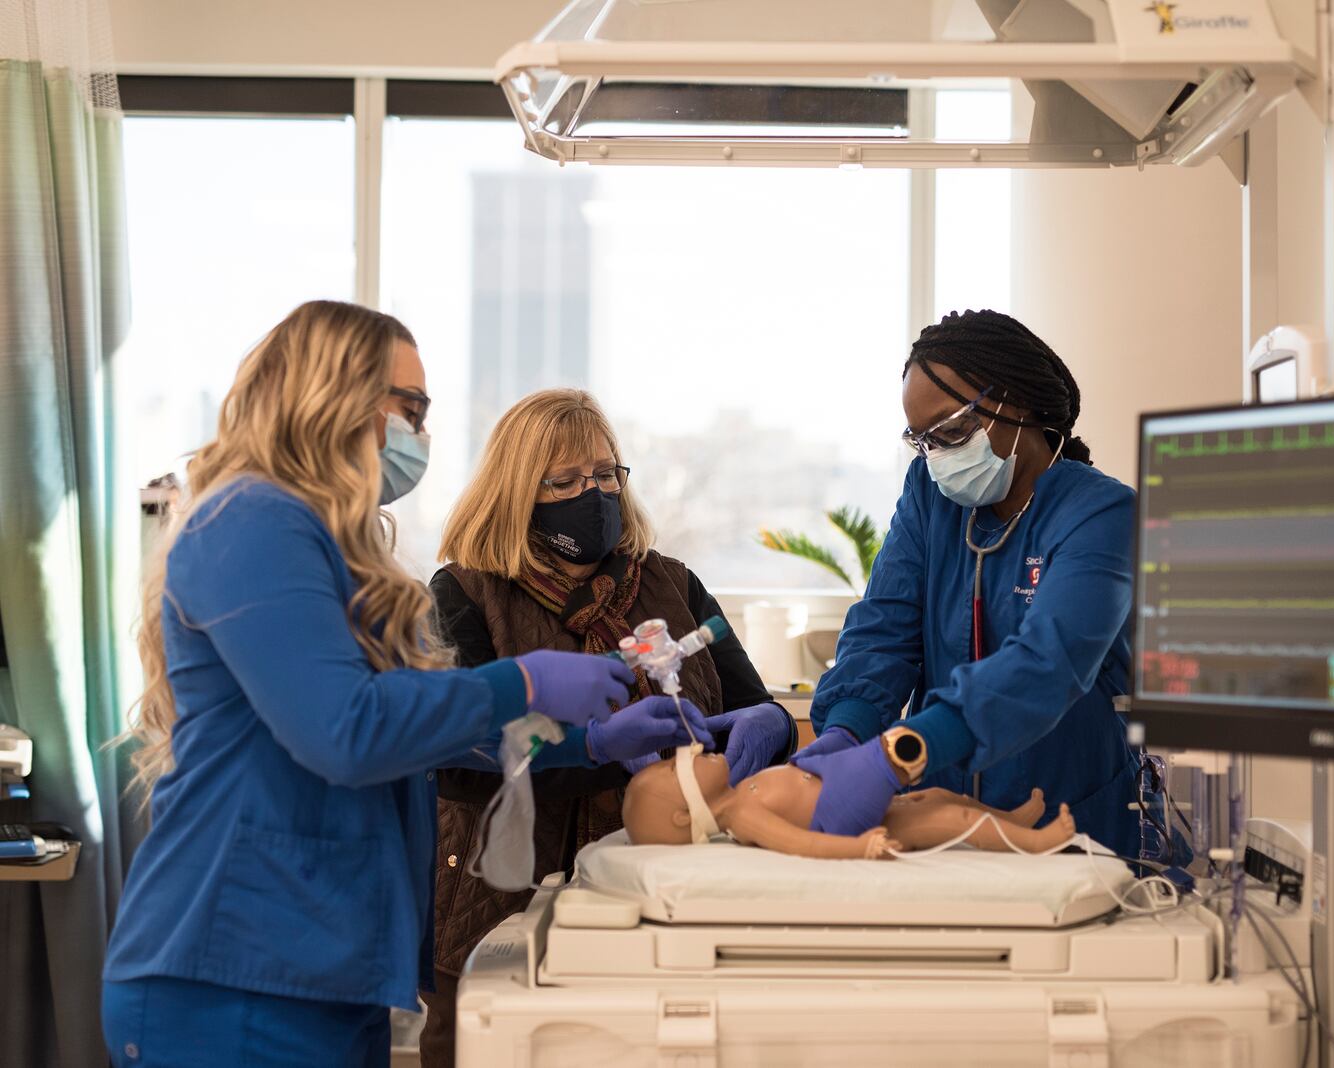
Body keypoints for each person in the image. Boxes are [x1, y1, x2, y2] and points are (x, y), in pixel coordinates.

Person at [101, 302, 706, 1068]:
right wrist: (523, 680)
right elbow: (347, 732)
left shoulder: (335, 549)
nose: (418, 433)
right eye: (409, 408)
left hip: (327, 966)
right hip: (233, 968)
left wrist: (586, 742)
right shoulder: (250, 522)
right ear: (333, 396)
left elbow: (416, 725)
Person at [420, 388, 795, 1066]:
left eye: (605, 475)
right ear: (515, 491)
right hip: (499, 906)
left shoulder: (674, 588)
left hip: (667, 908)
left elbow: (751, 709)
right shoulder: (466, 596)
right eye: (564, 481)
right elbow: (450, 757)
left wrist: (771, 723)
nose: (591, 493)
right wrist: (595, 750)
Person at [795, 309, 1154, 860]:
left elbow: (1047, 665)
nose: (937, 457)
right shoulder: (930, 496)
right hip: (939, 818)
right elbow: (884, 629)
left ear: (1016, 401)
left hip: (1070, 819)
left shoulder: (1100, 513)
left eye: (953, 431)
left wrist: (903, 750)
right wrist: (847, 729)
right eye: (923, 441)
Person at [622, 745, 1075, 858]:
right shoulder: (743, 816)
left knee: (937, 794)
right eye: (672, 769)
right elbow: (801, 844)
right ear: (686, 814)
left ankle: (1013, 821)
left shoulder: (744, 792)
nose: (689, 754)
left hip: (861, 800)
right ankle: (1034, 844)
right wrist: (858, 849)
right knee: (949, 818)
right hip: (855, 824)